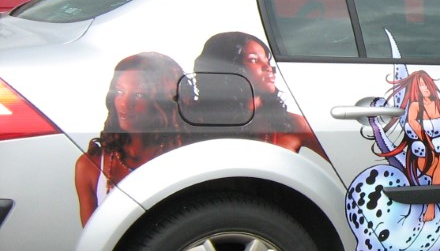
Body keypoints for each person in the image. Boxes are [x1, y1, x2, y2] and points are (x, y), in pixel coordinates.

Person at [75, 52, 186, 224]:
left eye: (138, 95)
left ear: (162, 102)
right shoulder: (90, 166)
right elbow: (92, 238)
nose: (125, 103)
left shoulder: (182, 158)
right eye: (120, 91)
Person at [191, 31, 326, 159]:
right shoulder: (195, 121)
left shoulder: (294, 124)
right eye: (254, 60)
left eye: (267, 61)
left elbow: (339, 162)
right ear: (227, 69)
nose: (268, 67)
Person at [380, 69, 440, 237]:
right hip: (428, 153)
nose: (425, 88)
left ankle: (431, 205)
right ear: (416, 88)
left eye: (427, 84)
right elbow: (412, 123)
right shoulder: (415, 106)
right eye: (421, 85)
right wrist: (426, 140)